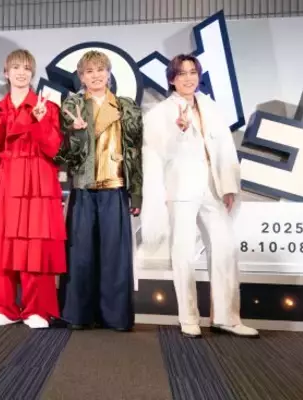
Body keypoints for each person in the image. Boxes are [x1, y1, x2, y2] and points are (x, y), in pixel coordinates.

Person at [140, 54, 259, 338]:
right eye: (182, 74)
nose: (188, 78)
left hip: (212, 187)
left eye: (192, 72)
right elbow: (156, 155)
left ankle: (227, 317)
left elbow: (226, 149)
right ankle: (188, 317)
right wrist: (179, 131)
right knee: (183, 254)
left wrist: (228, 187)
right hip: (180, 188)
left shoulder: (210, 107)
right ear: (172, 79)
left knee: (225, 247)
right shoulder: (159, 113)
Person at [0, 49, 66, 329]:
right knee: (1, 246)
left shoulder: (48, 108)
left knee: (35, 246)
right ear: (6, 73)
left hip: (37, 185)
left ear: (32, 73)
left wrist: (41, 122)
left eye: (26, 68)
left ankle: (38, 309)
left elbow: (56, 150)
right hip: (5, 185)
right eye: (16, 67)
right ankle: (4, 307)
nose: (21, 73)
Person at [55, 50, 142, 331]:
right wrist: (77, 133)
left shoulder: (126, 106)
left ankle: (115, 317)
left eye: (100, 70)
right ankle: (78, 314)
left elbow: (134, 152)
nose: (96, 76)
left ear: (109, 73)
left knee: (115, 255)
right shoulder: (72, 106)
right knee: (81, 254)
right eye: (89, 71)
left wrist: (136, 192)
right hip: (84, 187)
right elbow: (64, 156)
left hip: (115, 186)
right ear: (81, 77)